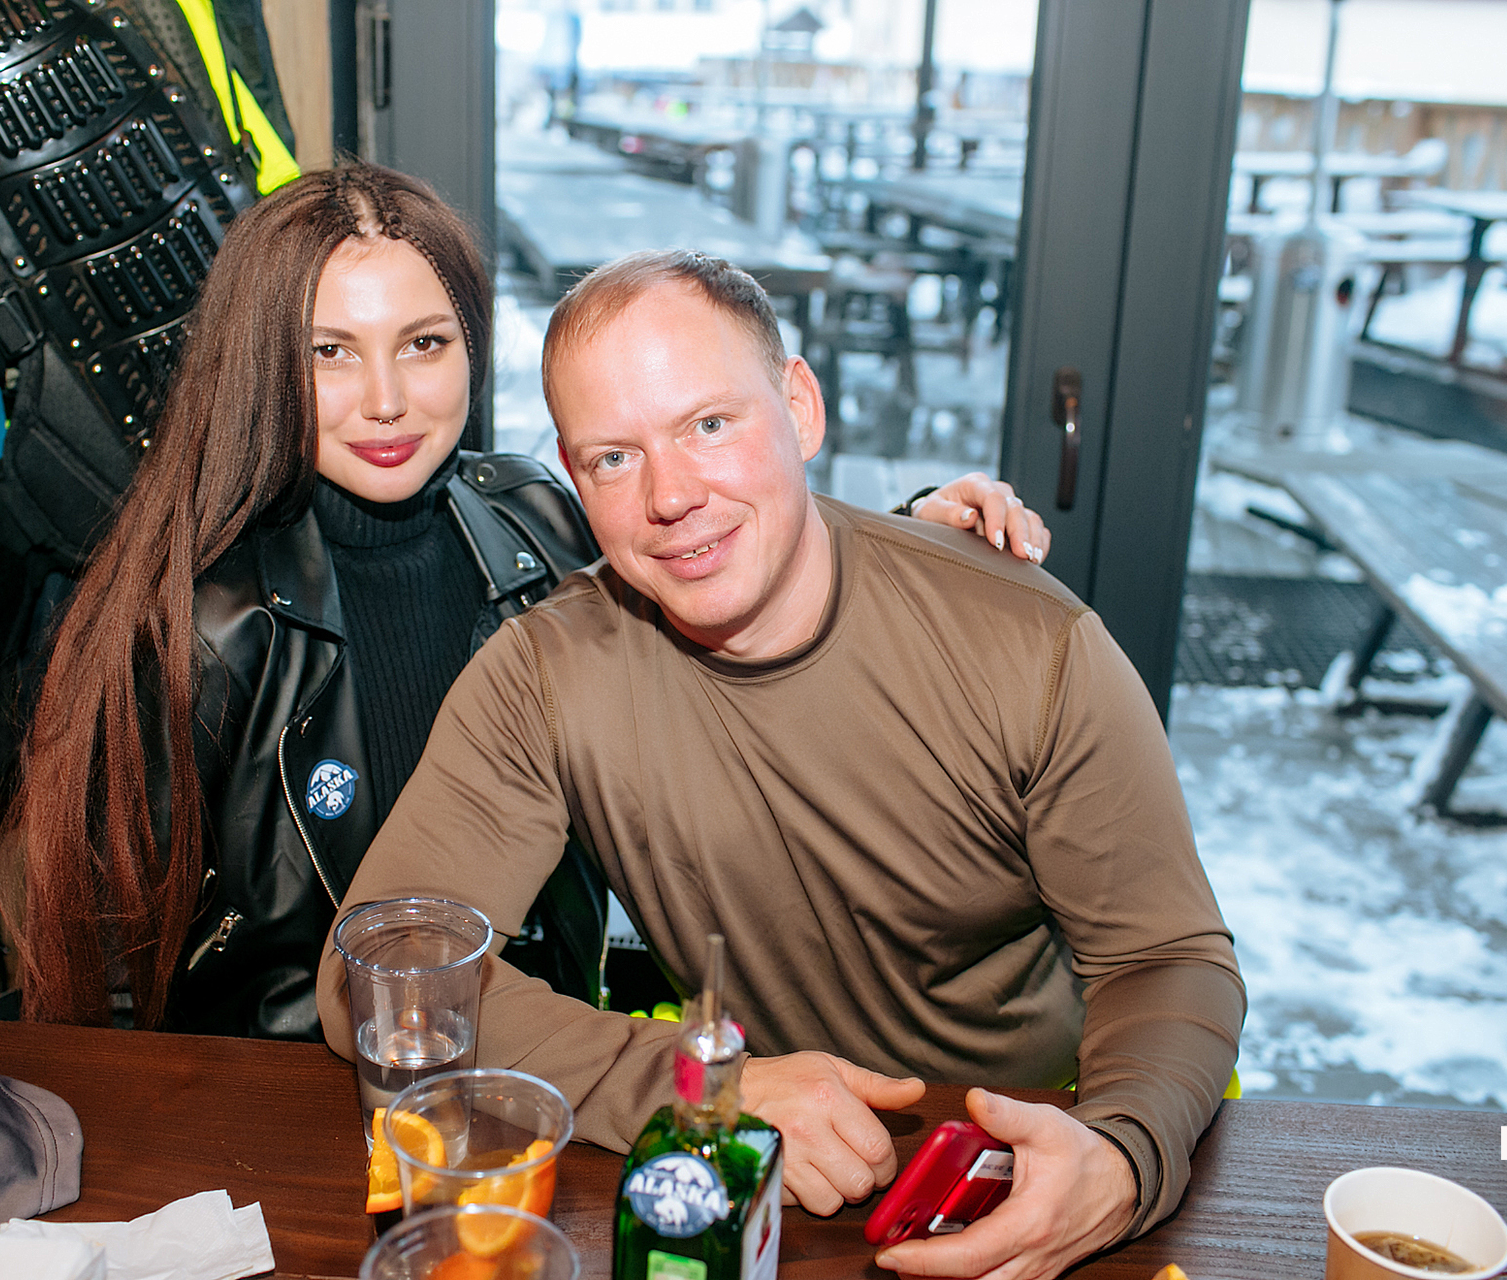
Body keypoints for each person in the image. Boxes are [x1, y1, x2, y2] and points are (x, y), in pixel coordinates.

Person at [316, 249, 1244, 1280]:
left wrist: (1120, 1158)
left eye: (710, 425)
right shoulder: (546, 673)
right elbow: (377, 976)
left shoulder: (1030, 644)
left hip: (1028, 1158)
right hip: (773, 1187)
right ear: (575, 479)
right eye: (615, 458)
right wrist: (702, 1085)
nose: (672, 495)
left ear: (800, 408)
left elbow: (1167, 958)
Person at [0, 166, 1049, 1040]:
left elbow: (713, 574)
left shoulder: (537, 522)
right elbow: (111, 988)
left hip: (541, 1077)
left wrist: (904, 535)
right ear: (263, 363)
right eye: (330, 352)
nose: (386, 401)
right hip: (299, 1109)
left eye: (424, 343)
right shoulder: (195, 623)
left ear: (473, 345)